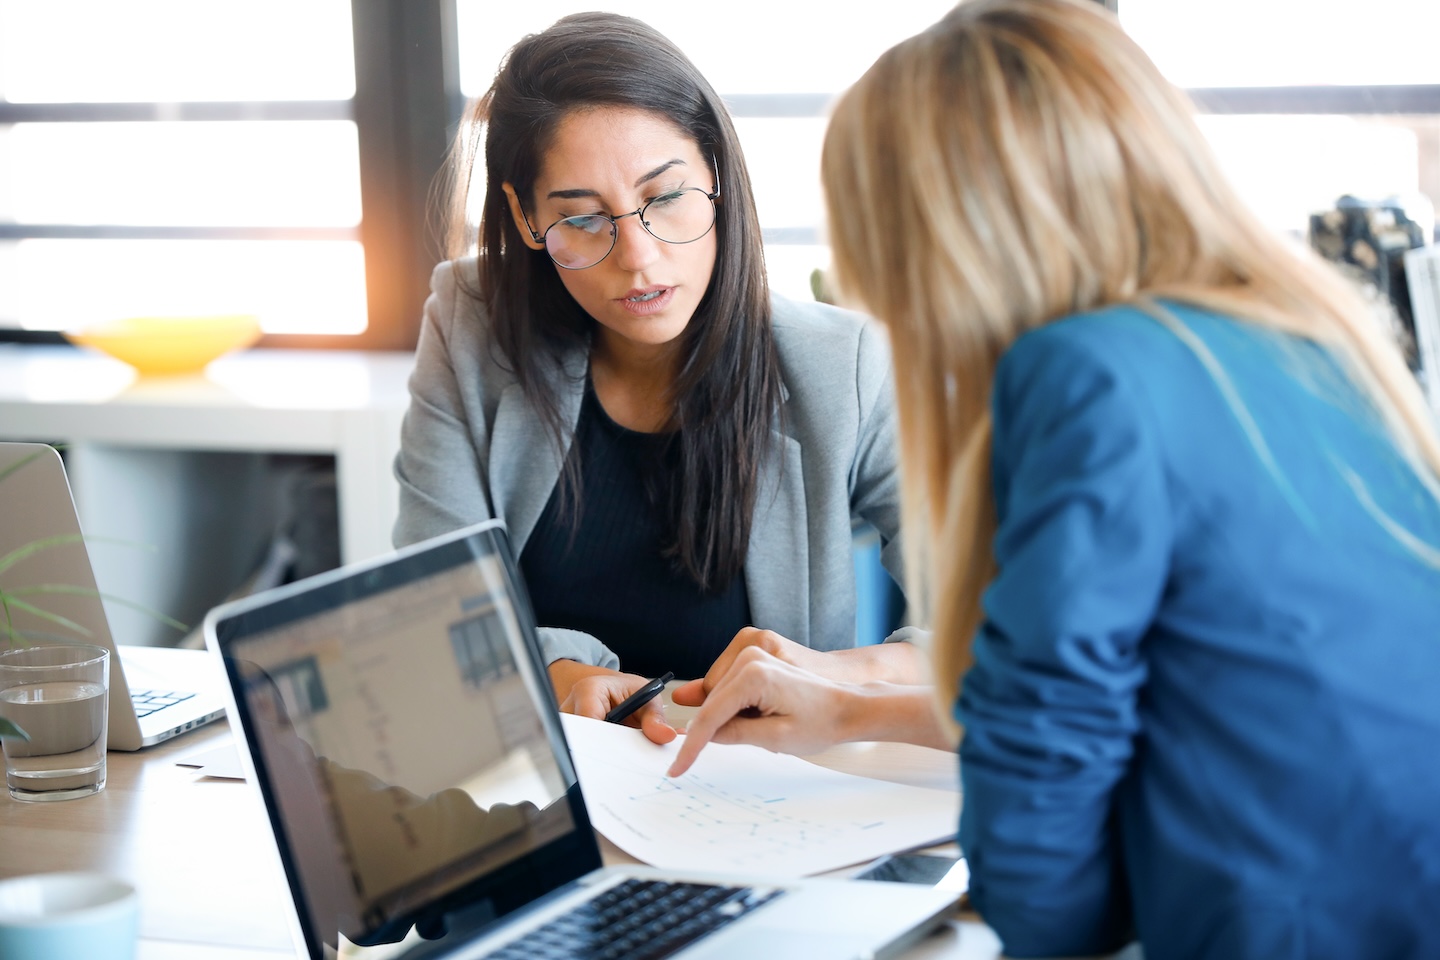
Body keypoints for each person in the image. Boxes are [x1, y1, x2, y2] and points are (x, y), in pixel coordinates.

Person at [676, 0, 1440, 956]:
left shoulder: (1086, 376)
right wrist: (849, 710)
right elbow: (1149, 699)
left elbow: (1043, 874)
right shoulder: (1304, 336)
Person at [391, 12, 928, 746]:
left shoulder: (843, 365)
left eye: (667, 197)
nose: (638, 257)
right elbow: (426, 613)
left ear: (715, 172)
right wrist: (558, 676)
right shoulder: (472, 324)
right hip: (555, 784)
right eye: (582, 218)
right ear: (522, 216)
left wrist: (838, 679)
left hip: (763, 793)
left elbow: (998, 615)